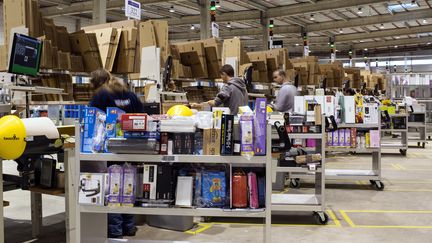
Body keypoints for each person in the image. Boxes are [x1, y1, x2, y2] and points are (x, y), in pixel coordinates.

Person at [89, 68, 143, 239]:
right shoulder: (131, 95)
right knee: (127, 186)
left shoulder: (101, 95)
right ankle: (129, 226)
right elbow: (144, 116)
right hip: (133, 147)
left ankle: (115, 230)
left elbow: (92, 118)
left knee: (112, 189)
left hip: (111, 148)